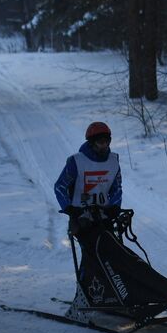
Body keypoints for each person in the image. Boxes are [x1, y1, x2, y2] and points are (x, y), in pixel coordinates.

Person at [54, 122, 123, 320]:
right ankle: (82, 300)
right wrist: (70, 209)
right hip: (81, 218)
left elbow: (117, 188)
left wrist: (115, 207)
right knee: (89, 257)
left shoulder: (114, 160)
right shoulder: (76, 161)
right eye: (100, 142)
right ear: (91, 142)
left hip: (104, 217)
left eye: (107, 141)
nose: (104, 145)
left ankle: (110, 297)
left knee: (112, 256)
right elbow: (60, 186)